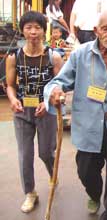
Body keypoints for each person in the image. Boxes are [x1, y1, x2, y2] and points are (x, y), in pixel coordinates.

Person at [44, 9, 107, 220]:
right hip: (89, 124)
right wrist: (55, 92)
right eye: (105, 29)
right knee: (86, 171)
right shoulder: (80, 55)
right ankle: (94, 193)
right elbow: (58, 82)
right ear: (96, 31)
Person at [6, 11, 63, 213]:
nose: (33, 32)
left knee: (46, 153)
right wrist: (13, 99)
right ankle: (30, 193)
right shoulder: (14, 57)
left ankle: (52, 174)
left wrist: (48, 101)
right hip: (22, 112)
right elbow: (10, 86)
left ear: (43, 31)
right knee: (25, 155)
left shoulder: (53, 57)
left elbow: (61, 85)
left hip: (45, 111)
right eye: (28, 27)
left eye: (37, 27)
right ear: (22, 30)